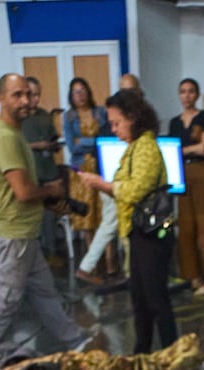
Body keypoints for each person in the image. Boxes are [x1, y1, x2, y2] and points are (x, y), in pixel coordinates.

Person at [0, 73, 93, 370]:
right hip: (14, 234)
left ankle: (74, 339)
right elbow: (22, 192)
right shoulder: (7, 137)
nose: (25, 101)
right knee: (4, 300)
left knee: (44, 292)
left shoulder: (13, 132)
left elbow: (18, 189)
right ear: (1, 99)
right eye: (17, 95)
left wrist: (47, 199)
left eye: (28, 94)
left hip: (23, 232)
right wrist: (51, 190)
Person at [78, 89, 178, 354]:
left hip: (150, 234)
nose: (114, 129)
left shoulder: (146, 147)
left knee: (154, 299)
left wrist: (103, 185)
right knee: (141, 299)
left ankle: (172, 354)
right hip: (138, 232)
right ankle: (141, 353)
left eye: (117, 123)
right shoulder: (135, 147)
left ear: (133, 118)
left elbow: (135, 190)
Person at [169, 78, 204, 296]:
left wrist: (183, 150)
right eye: (183, 92)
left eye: (191, 91)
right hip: (180, 173)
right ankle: (192, 276)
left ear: (197, 94)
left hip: (201, 171)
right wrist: (192, 148)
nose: (187, 96)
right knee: (185, 227)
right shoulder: (174, 122)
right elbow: (171, 150)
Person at [75, 93, 121, 287]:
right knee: (110, 225)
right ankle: (87, 266)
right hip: (112, 183)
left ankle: (89, 266)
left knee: (110, 225)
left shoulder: (105, 128)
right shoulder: (113, 129)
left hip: (108, 181)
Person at [21, 75, 60, 261]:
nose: (35, 99)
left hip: (48, 171)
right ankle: (35, 256)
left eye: (38, 95)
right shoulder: (18, 119)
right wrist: (36, 146)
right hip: (29, 175)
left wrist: (53, 145)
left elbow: (53, 138)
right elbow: (16, 146)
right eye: (31, 94)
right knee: (33, 217)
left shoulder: (44, 115)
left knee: (49, 215)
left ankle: (52, 253)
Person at [62, 77, 105, 248]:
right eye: (75, 92)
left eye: (82, 91)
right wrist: (92, 141)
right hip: (80, 170)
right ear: (71, 96)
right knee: (86, 213)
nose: (79, 95)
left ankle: (109, 257)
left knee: (102, 211)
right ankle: (91, 255)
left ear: (88, 92)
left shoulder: (100, 112)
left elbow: (103, 140)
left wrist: (83, 141)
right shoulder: (68, 117)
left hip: (99, 166)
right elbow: (72, 147)